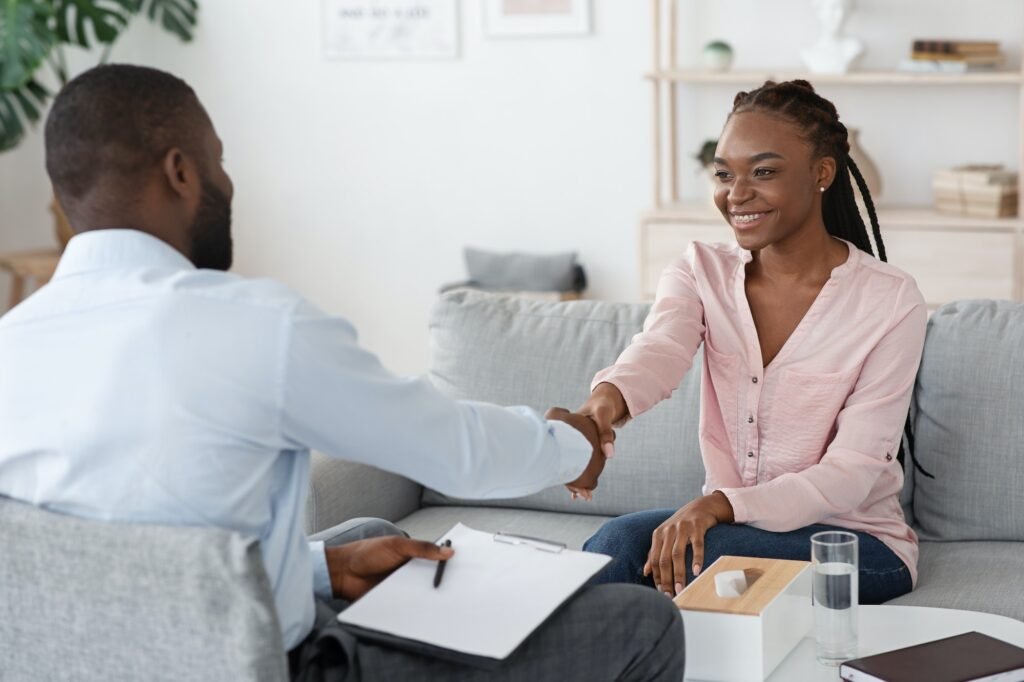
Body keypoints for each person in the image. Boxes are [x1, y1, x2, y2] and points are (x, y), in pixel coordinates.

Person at [0, 64, 684, 681]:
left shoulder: (13, 343)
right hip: (277, 666)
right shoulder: (253, 327)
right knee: (643, 623)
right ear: (181, 171)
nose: (228, 182)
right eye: (220, 161)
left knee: (360, 538)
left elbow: (129, 571)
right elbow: (453, 452)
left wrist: (320, 573)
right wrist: (573, 445)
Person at [571, 80, 925, 605]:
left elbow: (851, 474)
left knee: (706, 555)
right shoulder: (700, 271)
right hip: (735, 528)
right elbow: (660, 349)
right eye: (724, 173)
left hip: (855, 543)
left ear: (821, 173)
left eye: (763, 172)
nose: (735, 193)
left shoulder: (890, 301)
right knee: (613, 543)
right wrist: (603, 405)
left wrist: (718, 505)